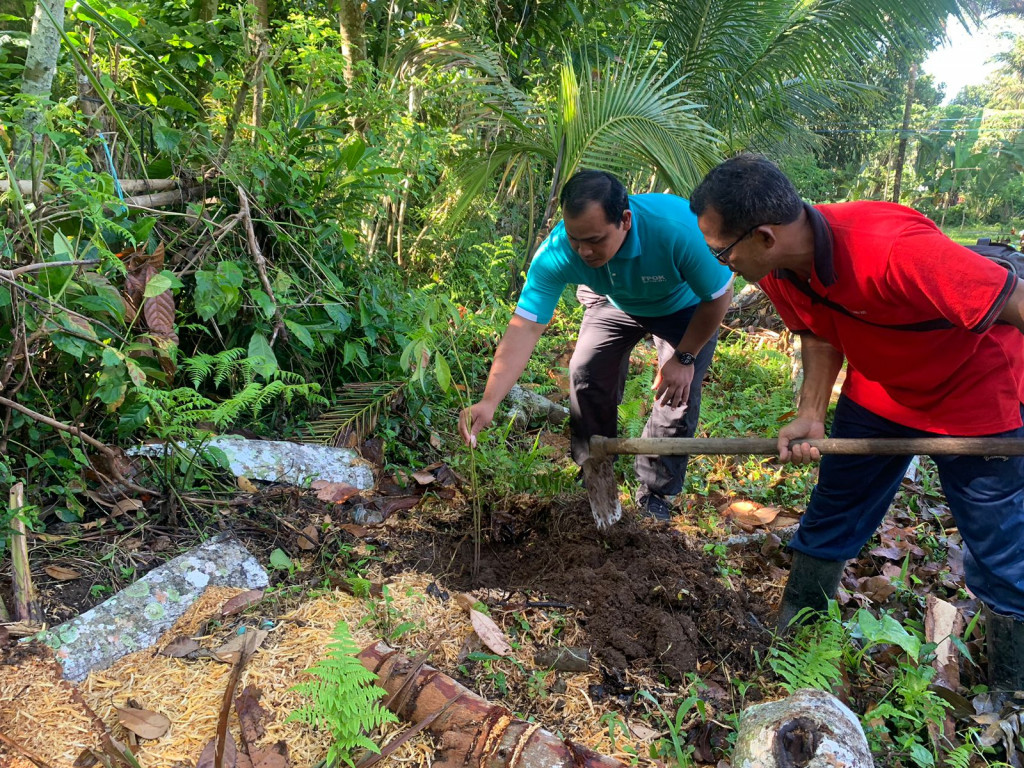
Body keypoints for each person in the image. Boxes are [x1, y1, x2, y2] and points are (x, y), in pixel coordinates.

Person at [689, 153, 1024, 688]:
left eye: (721, 251)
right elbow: (818, 329)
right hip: (879, 394)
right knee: (833, 513)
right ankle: (795, 652)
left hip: (975, 395)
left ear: (765, 236)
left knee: (999, 544)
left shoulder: (892, 249)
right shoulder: (777, 267)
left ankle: (1013, 693)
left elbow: (1015, 301)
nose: (720, 263)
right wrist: (811, 414)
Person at [459, 169, 734, 520]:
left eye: (594, 239)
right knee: (586, 372)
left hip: (685, 307)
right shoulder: (558, 251)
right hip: (614, 302)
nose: (584, 251)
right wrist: (489, 400)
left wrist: (684, 358)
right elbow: (524, 327)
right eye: (576, 239)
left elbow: (718, 296)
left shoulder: (677, 230)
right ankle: (595, 474)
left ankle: (654, 493)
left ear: (625, 220)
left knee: (676, 397)